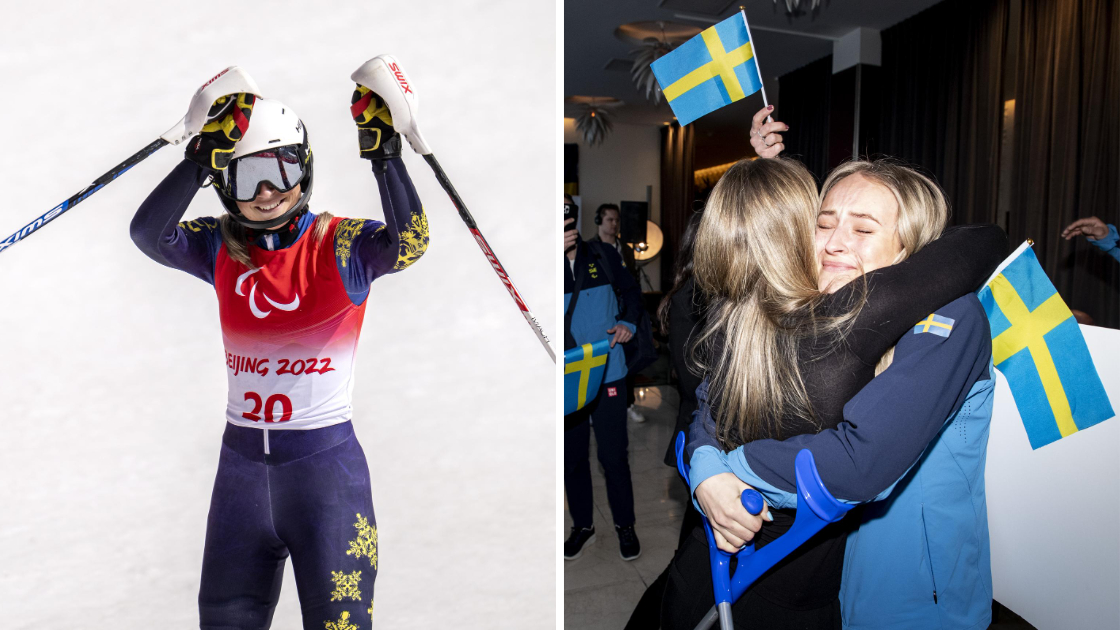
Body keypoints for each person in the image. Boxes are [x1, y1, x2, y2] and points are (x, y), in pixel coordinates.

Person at [659, 155, 1007, 629]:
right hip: (825, 574)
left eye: (864, 230)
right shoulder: (811, 304)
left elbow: (863, 458)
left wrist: (734, 469)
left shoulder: (951, 317)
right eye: (824, 224)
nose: (835, 243)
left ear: (914, 251)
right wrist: (705, 467)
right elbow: (719, 391)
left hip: (908, 588)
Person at [130, 75, 427, 629]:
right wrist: (197, 160)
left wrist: (386, 156)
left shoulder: (342, 243)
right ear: (223, 182)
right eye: (246, 175)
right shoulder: (220, 244)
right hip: (239, 476)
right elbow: (149, 235)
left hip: (325, 479)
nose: (266, 191)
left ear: (305, 166)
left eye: (280, 168)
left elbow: (408, 244)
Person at [564, 200, 644, 561]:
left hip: (609, 372)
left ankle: (625, 525)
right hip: (568, 381)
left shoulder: (602, 254)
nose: (565, 225)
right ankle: (583, 525)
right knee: (573, 459)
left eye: (568, 217)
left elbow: (631, 293)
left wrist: (627, 322)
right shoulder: (533, 266)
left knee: (614, 457)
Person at [588, 202, 646, 423]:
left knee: (628, 360)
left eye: (616, 220)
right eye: (609, 219)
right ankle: (595, 406)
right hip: (602, 313)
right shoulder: (589, 249)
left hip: (626, 314)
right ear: (599, 221)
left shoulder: (626, 249)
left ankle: (628, 403)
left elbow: (633, 283)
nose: (614, 224)